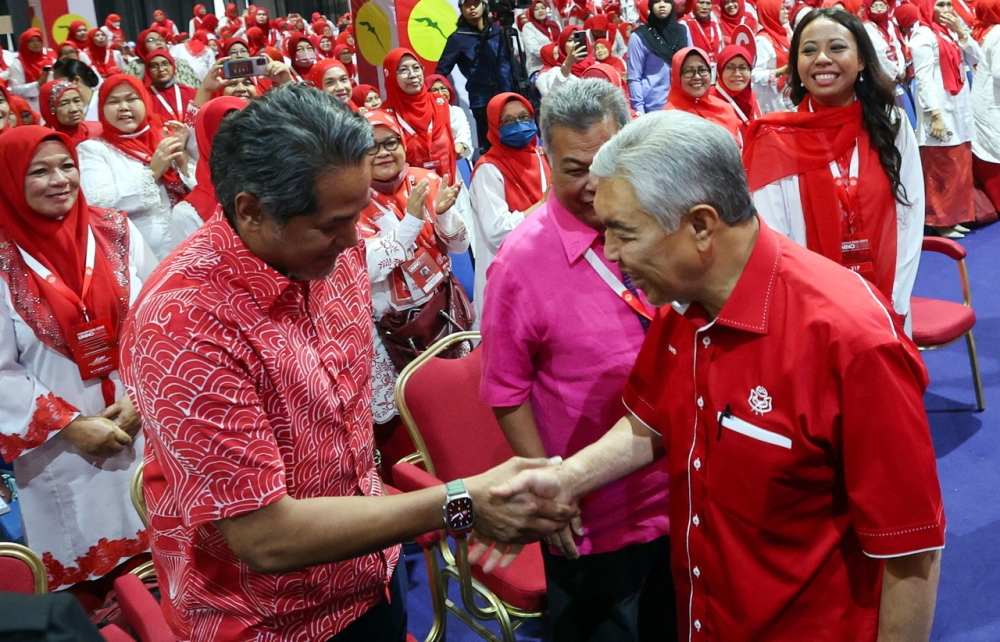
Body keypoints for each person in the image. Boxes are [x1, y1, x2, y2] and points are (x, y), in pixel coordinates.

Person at [118, 84, 573, 642]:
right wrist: (458, 502)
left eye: (358, 216)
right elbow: (264, 536)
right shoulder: (186, 320)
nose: (354, 240)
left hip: (368, 581)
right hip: (268, 620)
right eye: (333, 224)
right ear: (252, 211)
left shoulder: (336, 254)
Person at [478, 108, 945, 641]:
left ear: (700, 225)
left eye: (624, 233)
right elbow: (652, 422)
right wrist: (564, 480)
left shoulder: (850, 339)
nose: (609, 253)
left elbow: (910, 548)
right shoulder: (682, 308)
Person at [479, 79, 675, 642]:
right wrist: (550, 489)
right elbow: (505, 392)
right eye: (573, 168)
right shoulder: (520, 263)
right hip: (595, 511)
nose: (592, 184)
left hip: (684, 486)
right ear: (545, 157)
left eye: (606, 161)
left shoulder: (659, 222)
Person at [0, 126, 158, 592]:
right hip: (60, 454)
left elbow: (158, 319)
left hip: (142, 422)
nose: (59, 180)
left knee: (168, 560)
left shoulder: (116, 230)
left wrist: (141, 398)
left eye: (66, 165)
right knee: (98, 587)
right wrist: (71, 425)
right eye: (39, 171)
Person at [744, 8, 923, 330]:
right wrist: (819, 310)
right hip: (814, 313)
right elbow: (775, 242)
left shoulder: (890, 124)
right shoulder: (775, 139)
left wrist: (893, 302)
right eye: (808, 50)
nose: (822, 58)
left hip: (887, 301)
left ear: (862, 60)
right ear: (796, 65)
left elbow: (910, 214)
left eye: (837, 48)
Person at [359, 109, 468, 427]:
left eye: (390, 142)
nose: (383, 152)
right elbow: (368, 266)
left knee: (462, 403)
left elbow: (460, 246)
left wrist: (445, 215)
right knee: (421, 417)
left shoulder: (426, 180)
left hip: (443, 311)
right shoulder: (352, 200)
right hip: (395, 331)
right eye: (371, 146)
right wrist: (411, 222)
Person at [77, 74, 201, 260]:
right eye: (113, 101)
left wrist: (183, 160)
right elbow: (98, 202)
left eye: (131, 98)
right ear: (101, 108)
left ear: (145, 100)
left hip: (191, 244)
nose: (124, 107)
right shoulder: (93, 150)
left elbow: (203, 187)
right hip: (139, 257)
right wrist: (153, 173)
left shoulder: (166, 135)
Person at [469, 93, 550, 318]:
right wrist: (542, 204)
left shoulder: (542, 155)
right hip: (509, 272)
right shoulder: (488, 169)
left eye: (524, 117)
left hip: (546, 265)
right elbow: (497, 231)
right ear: (494, 126)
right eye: (508, 121)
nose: (519, 125)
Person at [910, 0, 980, 237]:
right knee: (941, 166)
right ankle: (939, 221)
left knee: (959, 164)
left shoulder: (950, 32)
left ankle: (955, 216)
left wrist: (962, 33)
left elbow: (977, 59)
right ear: (928, 8)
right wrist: (935, 115)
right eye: (940, 5)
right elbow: (924, 79)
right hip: (939, 109)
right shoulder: (922, 35)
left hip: (959, 104)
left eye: (950, 4)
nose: (948, 10)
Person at [434, 0, 514, 151]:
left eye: (475, 3)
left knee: (515, 144)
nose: (471, 7)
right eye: (467, 5)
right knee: (491, 148)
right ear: (461, 9)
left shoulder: (499, 31)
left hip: (508, 96)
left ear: (484, 5)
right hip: (482, 101)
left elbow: (511, 62)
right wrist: (437, 93)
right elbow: (441, 71)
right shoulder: (458, 38)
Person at [382, 48, 458, 180]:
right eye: (404, 70)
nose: (412, 74)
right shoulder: (386, 116)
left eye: (416, 68)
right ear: (390, 75)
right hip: (411, 194)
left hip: (448, 187)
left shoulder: (439, 103)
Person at [177, 96, 246, 224]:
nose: (235, 138)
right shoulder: (188, 213)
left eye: (242, 127)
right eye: (222, 130)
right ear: (205, 138)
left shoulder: (276, 186)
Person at [664, 47, 744, 145]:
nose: (697, 77)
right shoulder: (670, 119)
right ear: (676, 76)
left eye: (702, 70)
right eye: (688, 71)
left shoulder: (724, 109)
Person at [628, 0, 691, 113]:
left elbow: (692, 64)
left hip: (684, 106)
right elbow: (634, 77)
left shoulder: (683, 31)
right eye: (657, 1)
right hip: (654, 109)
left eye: (666, 1)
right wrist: (639, 110)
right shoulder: (639, 36)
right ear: (651, 5)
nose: (662, 5)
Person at [972, 0, 1000, 212]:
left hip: (984, 100)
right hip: (992, 102)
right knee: (994, 151)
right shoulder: (998, 32)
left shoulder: (983, 30)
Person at [125, 28, 202, 89]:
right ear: (141, 46)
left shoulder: (181, 63)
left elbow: (197, 88)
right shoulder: (134, 68)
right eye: (151, 40)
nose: (158, 43)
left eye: (161, 39)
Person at [752, 0, 793, 114]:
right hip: (769, 100)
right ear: (770, 12)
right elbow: (754, 74)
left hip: (787, 95)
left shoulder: (787, 33)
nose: (786, 11)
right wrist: (781, 71)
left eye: (786, 7)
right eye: (782, 9)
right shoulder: (763, 40)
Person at [710, 44, 761, 130]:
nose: (737, 74)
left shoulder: (751, 98)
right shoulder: (710, 100)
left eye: (743, 68)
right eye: (730, 68)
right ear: (720, 70)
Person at [427, 74, 475, 161]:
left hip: (458, 156)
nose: (440, 93)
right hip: (432, 161)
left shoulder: (457, 111)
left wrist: (460, 145)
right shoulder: (424, 114)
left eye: (443, 88)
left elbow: (464, 132)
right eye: (434, 90)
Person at [39, 80, 103, 146]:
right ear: (50, 110)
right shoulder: (46, 143)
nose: (74, 109)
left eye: (77, 101)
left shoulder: (99, 131)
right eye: (64, 104)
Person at [8, 29, 56, 113]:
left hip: (52, 101)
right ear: (24, 44)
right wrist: (38, 84)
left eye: (38, 40)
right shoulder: (18, 64)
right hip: (32, 106)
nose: (36, 43)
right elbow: (16, 90)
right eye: (31, 41)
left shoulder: (50, 60)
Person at [145, 50, 198, 123]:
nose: (161, 69)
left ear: (173, 66)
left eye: (165, 64)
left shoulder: (190, 93)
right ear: (148, 70)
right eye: (154, 66)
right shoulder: (145, 97)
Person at [523, 0, 562, 75]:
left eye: (543, 8)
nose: (540, 11)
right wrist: (553, 52)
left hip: (557, 64)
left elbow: (561, 42)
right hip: (538, 68)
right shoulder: (528, 27)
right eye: (536, 9)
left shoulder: (554, 25)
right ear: (531, 12)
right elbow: (533, 49)